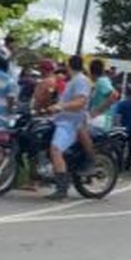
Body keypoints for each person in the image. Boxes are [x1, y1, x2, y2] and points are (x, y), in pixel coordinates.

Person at [45, 54, 95, 200]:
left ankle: (62, 189)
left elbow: (80, 102)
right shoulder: (73, 81)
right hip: (62, 120)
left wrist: (60, 106)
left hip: (69, 123)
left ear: (68, 66)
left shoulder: (80, 80)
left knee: (55, 149)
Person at [88, 58, 119, 128]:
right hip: (99, 118)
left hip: (101, 119)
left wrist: (97, 111)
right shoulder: (99, 82)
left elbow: (114, 95)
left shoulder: (102, 81)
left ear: (91, 72)